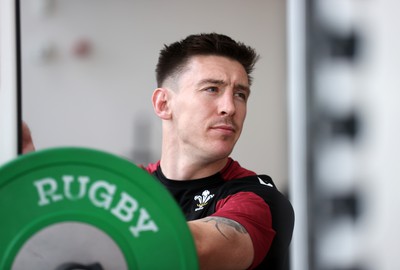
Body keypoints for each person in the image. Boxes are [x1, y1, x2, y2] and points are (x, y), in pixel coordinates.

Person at [23, 33, 294, 270]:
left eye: (240, 94)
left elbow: (196, 249)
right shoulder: (126, 186)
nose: (230, 108)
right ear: (163, 103)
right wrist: (28, 187)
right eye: (212, 89)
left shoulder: (260, 199)